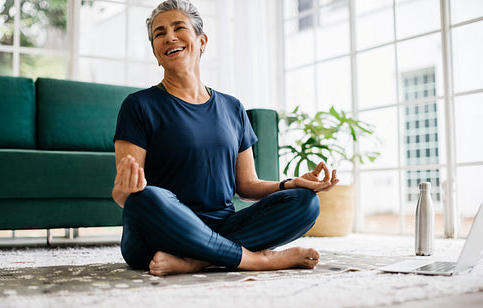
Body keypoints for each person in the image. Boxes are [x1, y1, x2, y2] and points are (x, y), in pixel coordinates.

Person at [112, 0, 339, 276]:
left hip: (222, 226)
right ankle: (257, 260)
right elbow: (124, 195)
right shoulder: (138, 106)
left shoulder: (232, 108)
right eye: (159, 34)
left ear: (202, 41)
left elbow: (247, 185)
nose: (169, 36)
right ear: (157, 54)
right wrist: (126, 192)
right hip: (160, 233)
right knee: (144, 198)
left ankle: (197, 261)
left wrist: (291, 183)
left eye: (178, 27)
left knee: (305, 202)